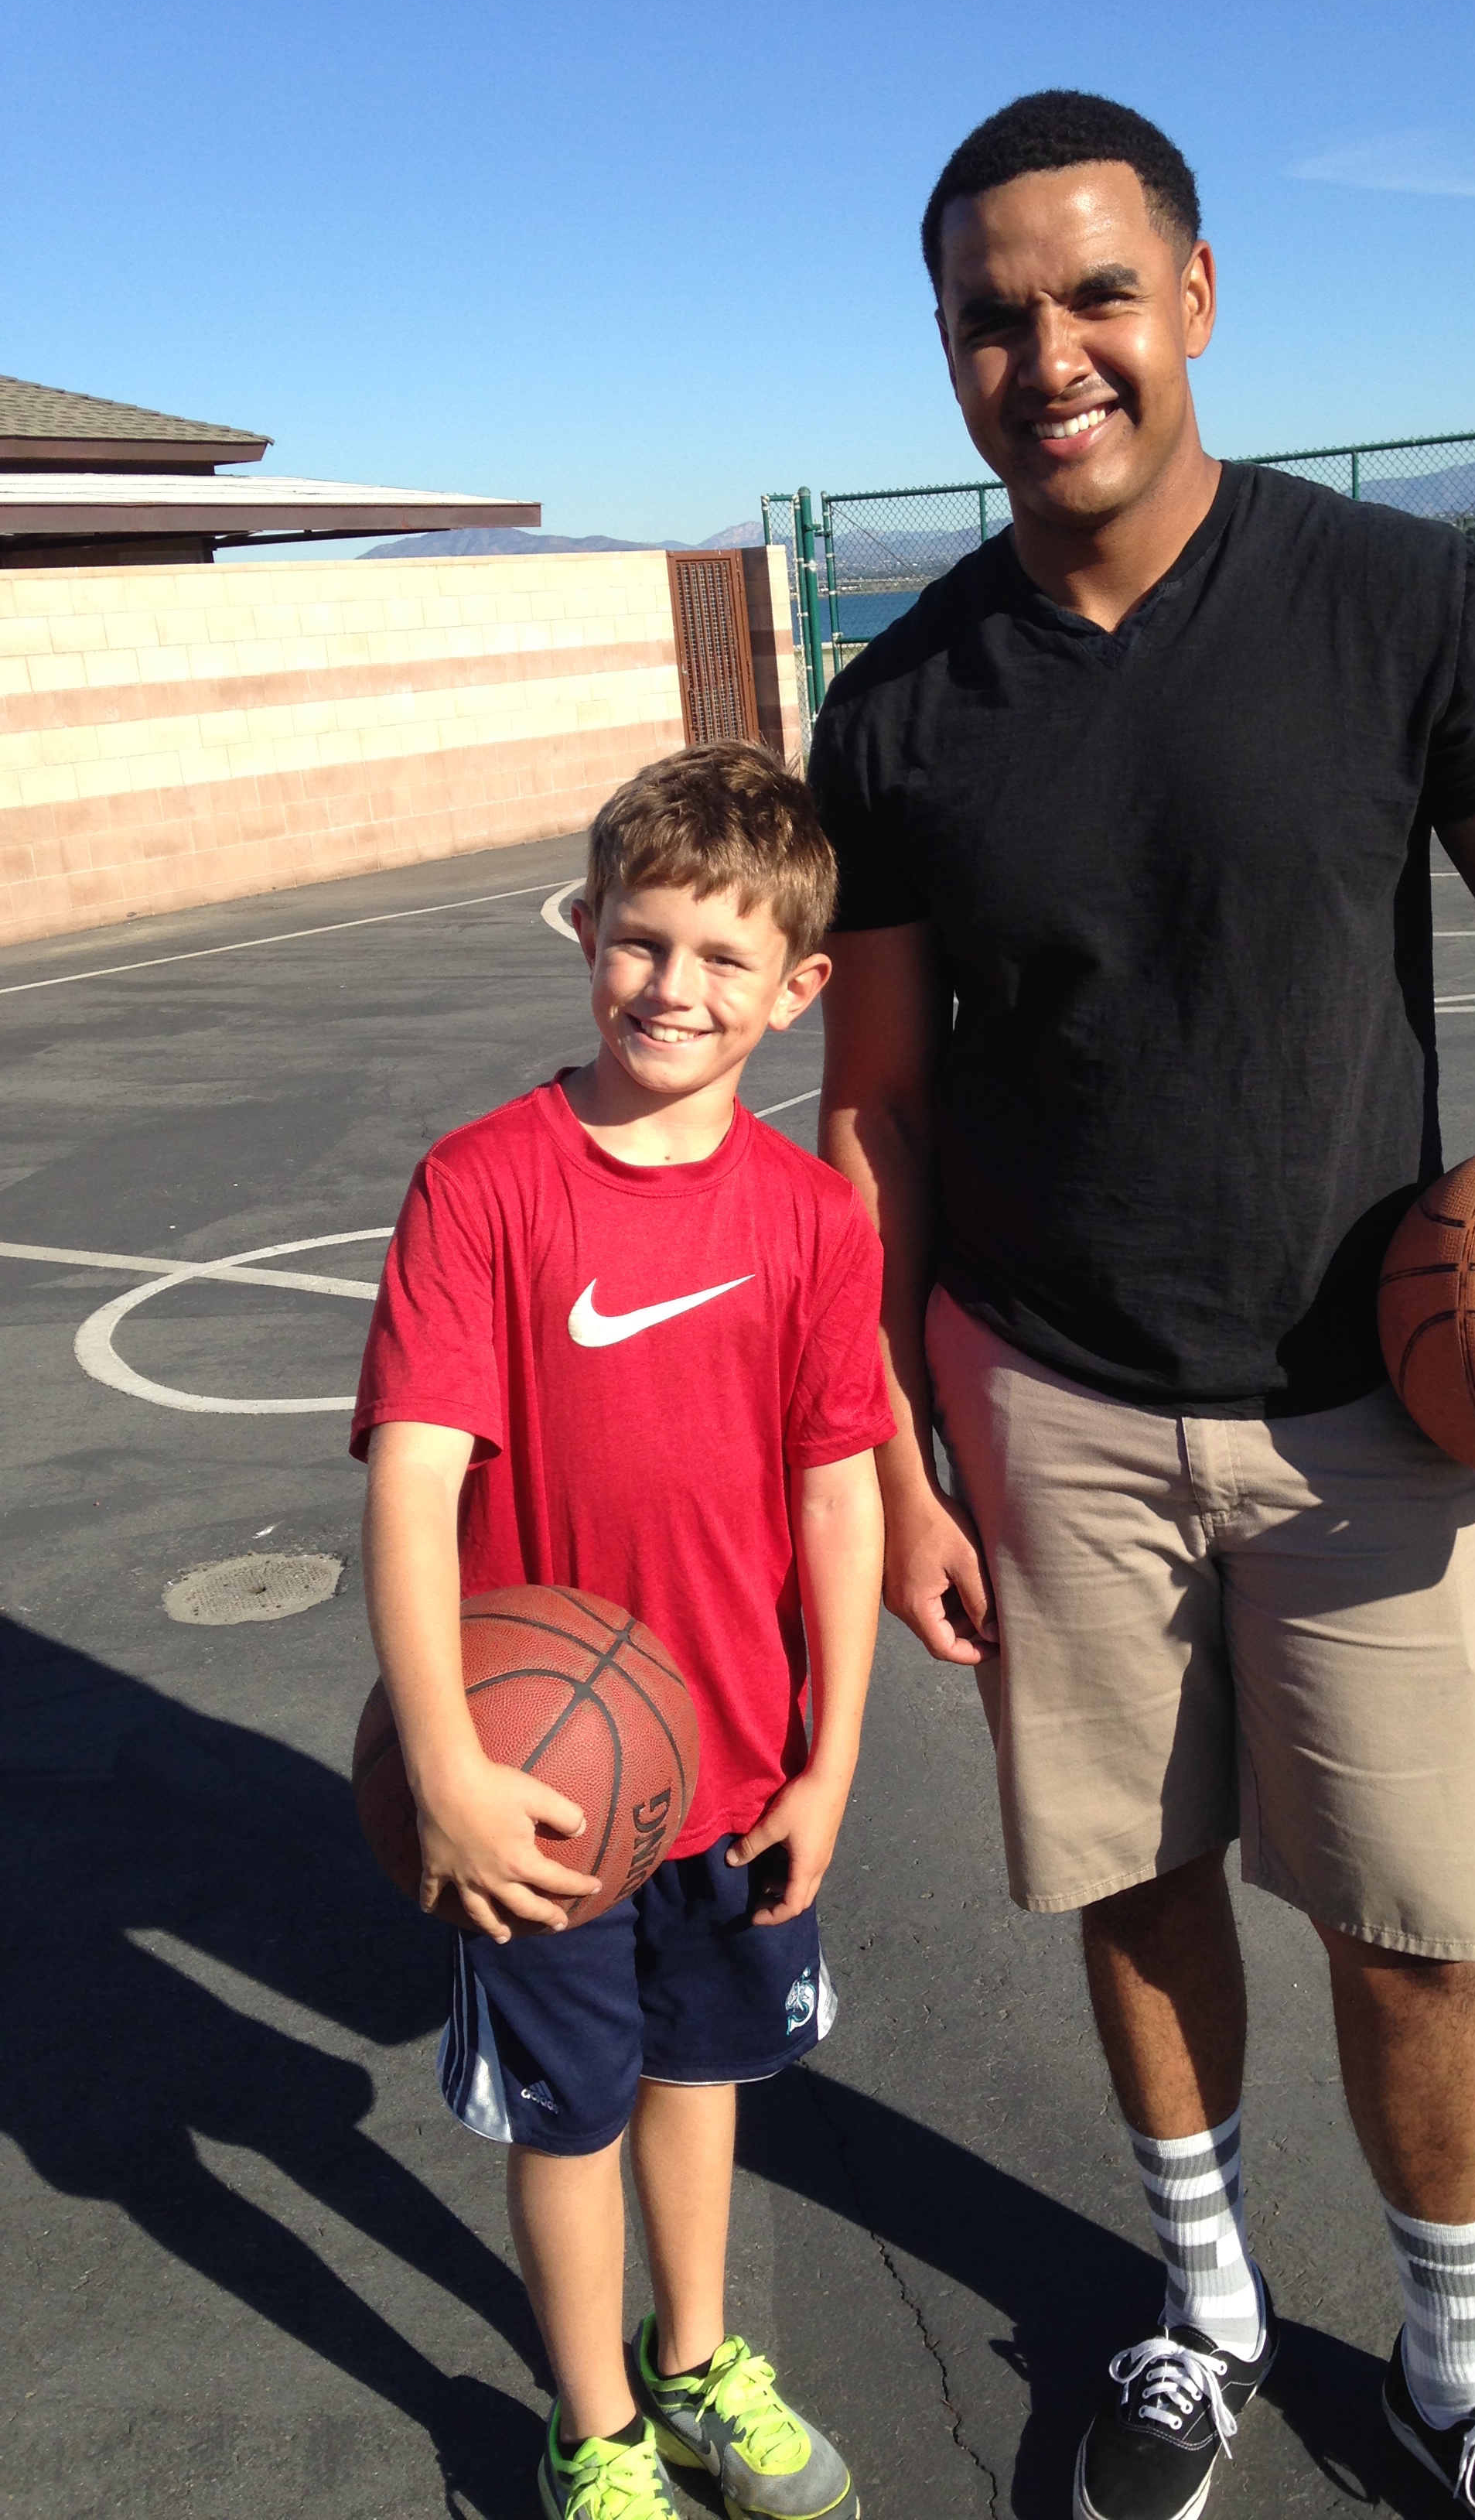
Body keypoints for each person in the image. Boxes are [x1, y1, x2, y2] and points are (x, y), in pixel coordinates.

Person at [811, 89, 1475, 2520]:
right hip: (1046, 1398)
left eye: (1097, 294)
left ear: (1194, 297)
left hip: (1375, 1405)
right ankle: (1199, 2314)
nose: (1048, 356)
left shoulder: (1395, 607)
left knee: (1420, 1935)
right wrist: (889, 1448)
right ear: (948, 349)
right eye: (991, 318)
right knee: (1135, 1886)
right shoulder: (904, 705)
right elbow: (877, 1111)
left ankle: (1455, 2378)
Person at [354, 744, 889, 2520]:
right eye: (643, 940)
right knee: (567, 2114)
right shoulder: (483, 1186)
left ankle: (696, 2360)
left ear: (798, 990)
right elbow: (413, 1487)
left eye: (727, 958)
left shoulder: (812, 1218)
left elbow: (842, 1500)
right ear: (585, 928)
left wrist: (832, 1759)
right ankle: (594, 2433)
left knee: (701, 2073)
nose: (675, 986)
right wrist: (446, 1764)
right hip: (544, 1790)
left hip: (732, 1770)